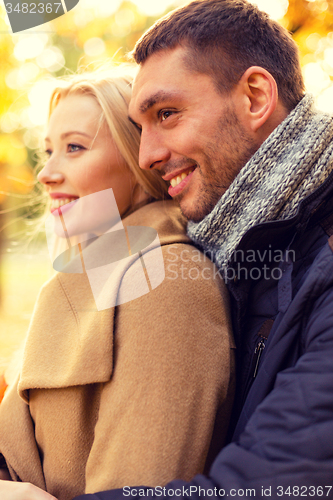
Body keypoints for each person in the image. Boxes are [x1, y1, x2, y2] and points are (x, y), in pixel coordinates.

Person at [72, 1, 333, 499]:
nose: (147, 155)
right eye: (140, 126)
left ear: (255, 97)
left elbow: (268, 487)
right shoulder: (232, 252)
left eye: (166, 114)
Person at [0, 69, 235, 500]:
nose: (46, 174)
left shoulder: (167, 283)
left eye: (74, 148)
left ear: (139, 159)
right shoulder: (83, 281)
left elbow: (139, 488)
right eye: (48, 150)